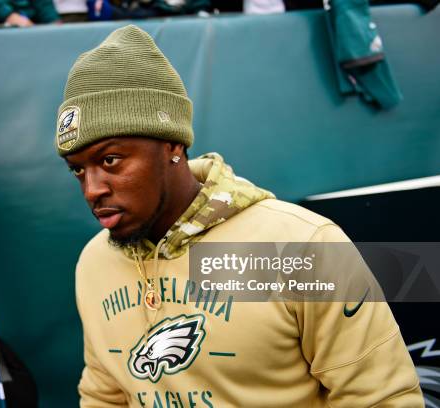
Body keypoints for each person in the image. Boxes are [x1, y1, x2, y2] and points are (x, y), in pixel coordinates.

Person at [56, 25, 424, 407]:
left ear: (172, 144)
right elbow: (105, 395)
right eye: (78, 169)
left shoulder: (298, 247)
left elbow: (380, 398)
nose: (92, 189)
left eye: (110, 160)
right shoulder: (94, 262)